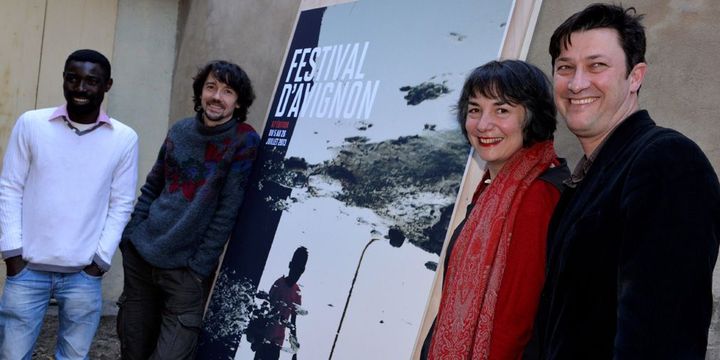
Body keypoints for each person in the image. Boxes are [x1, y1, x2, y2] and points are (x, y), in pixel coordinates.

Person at [534, 4, 720, 359]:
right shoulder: (588, 181)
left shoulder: (667, 161)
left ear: (635, 76)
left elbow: (662, 339)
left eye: (597, 65)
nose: (576, 83)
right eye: (565, 68)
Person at [421, 59, 569, 359]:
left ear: (531, 117)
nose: (483, 124)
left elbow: (515, 319)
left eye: (501, 110)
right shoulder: (492, 192)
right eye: (475, 110)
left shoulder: (538, 194)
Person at [117, 60, 260, 359]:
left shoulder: (243, 140)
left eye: (227, 91)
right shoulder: (180, 131)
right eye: (211, 87)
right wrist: (130, 235)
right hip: (142, 256)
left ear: (238, 102)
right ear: (200, 92)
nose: (217, 97)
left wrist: (199, 269)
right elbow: (153, 185)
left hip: (186, 272)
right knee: (133, 348)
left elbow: (227, 211)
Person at [0, 49, 138, 359]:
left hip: (82, 276)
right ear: (64, 79)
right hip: (27, 269)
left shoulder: (123, 138)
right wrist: (12, 253)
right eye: (72, 78)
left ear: (107, 85)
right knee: (11, 355)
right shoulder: (32, 124)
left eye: (92, 81)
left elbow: (122, 203)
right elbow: (9, 187)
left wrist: (100, 261)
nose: (80, 88)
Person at [252, 246, 308, 360]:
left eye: (299, 269)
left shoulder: (297, 293)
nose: (296, 272)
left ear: (302, 271)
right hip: (265, 339)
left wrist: (294, 351)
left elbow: (293, 324)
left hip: (277, 343)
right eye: (295, 267)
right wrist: (257, 336)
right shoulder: (279, 284)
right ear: (290, 265)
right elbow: (265, 308)